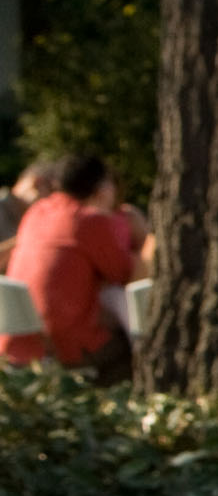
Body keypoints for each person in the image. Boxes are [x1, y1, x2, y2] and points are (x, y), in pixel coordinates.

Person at [3, 154, 151, 383]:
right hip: (62, 350)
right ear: (102, 187)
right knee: (130, 349)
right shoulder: (90, 221)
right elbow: (128, 277)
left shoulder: (38, 211)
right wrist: (148, 240)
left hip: (18, 343)